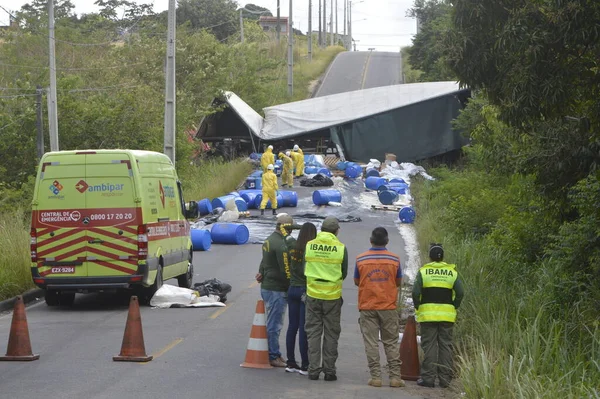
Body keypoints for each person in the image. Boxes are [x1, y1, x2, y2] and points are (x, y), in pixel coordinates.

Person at [354, 227, 405, 388]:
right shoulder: (394, 260)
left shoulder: (361, 259)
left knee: (371, 342)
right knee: (390, 342)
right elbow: (398, 282)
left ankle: (376, 377)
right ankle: (395, 377)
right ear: (387, 242)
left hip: (367, 306)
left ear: (371, 240)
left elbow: (357, 281)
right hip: (388, 306)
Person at [412, 243, 465, 388]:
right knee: (445, 346)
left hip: (428, 316)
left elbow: (415, 293)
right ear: (443, 257)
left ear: (430, 256)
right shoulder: (452, 273)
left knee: (429, 346)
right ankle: (445, 380)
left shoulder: (424, 272)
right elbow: (460, 293)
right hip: (447, 316)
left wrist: (418, 306)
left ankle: (428, 379)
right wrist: (454, 305)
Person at [304, 216, 348, 381]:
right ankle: (329, 371)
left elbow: (305, 268)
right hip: (332, 297)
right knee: (331, 333)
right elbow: (343, 273)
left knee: (313, 333)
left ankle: (313, 370)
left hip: (313, 295)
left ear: (321, 229)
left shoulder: (310, 245)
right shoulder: (341, 248)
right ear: (337, 231)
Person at [255, 213, 296, 367]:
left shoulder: (269, 240)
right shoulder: (281, 245)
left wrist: (262, 273)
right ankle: (273, 355)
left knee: (273, 321)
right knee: (275, 324)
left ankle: (274, 353)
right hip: (276, 289)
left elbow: (264, 261)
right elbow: (285, 270)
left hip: (267, 285)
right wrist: (292, 285)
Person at [285, 222, 317, 375]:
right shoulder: (309, 250)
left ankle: (290, 362)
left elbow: (286, 233)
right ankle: (305, 364)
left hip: (292, 288)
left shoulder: (293, 247)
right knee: (304, 328)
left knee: (292, 326)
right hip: (304, 289)